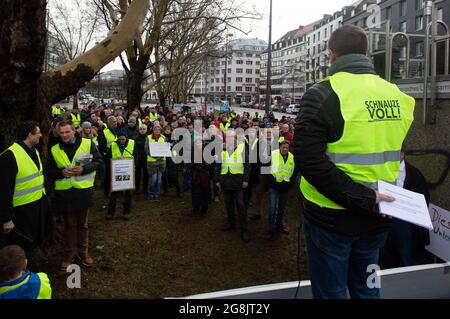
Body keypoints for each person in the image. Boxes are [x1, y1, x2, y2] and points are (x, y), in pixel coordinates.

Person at [295, 25, 415, 299]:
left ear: (331, 55)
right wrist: (377, 198)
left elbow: (309, 161)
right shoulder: (397, 95)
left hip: (331, 219)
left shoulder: (322, 94)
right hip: (379, 215)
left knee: (332, 293)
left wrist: (365, 197)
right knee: (367, 290)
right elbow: (397, 153)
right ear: (366, 53)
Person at [46, 120, 102, 270]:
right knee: (69, 225)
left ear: (74, 131)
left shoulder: (88, 143)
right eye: (61, 133)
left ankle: (84, 253)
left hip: (83, 191)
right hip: (64, 194)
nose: (64, 135)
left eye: (67, 132)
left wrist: (84, 169)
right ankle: (70, 253)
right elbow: (49, 171)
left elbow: (99, 162)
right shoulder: (54, 149)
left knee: (83, 225)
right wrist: (60, 173)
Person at [0, 121, 48, 253]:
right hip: (20, 211)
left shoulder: (34, 151)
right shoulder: (8, 157)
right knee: (21, 246)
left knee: (32, 243)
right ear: (29, 135)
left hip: (36, 205)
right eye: (38, 133)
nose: (41, 136)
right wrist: (7, 219)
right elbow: (4, 191)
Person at [381, 151, 432, 268]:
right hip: (383, 218)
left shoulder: (414, 174)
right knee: (385, 253)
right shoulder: (381, 170)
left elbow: (423, 200)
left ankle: (407, 278)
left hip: (405, 223)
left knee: (405, 254)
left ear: (402, 155)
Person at [216, 130, 251, 243]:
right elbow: (218, 165)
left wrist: (246, 180)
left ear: (236, 138)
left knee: (240, 206)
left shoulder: (241, 148)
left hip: (238, 183)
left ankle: (244, 229)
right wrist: (217, 180)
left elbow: (247, 165)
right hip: (225, 182)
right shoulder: (222, 148)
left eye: (232, 137)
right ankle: (231, 223)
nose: (230, 139)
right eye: (228, 137)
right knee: (228, 204)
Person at [266, 141, 295, 239]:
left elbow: (294, 172)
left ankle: (279, 226)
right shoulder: (273, 154)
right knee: (272, 208)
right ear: (280, 147)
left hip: (284, 187)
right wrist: (272, 181)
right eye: (283, 147)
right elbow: (267, 168)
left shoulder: (292, 157)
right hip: (273, 186)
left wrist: (289, 183)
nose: (285, 149)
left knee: (282, 209)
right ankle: (271, 229)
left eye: (287, 148)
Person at [106, 130, 135, 221]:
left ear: (126, 138)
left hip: (128, 172)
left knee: (128, 194)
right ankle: (110, 213)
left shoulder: (132, 143)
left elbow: (136, 155)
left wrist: (134, 165)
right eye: (120, 139)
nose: (121, 141)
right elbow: (108, 158)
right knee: (114, 193)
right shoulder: (113, 145)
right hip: (116, 172)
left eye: (123, 139)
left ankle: (126, 212)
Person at [145, 126, 167, 200]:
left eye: (158, 130)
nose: (157, 131)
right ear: (153, 130)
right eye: (155, 130)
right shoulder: (148, 137)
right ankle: (151, 193)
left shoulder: (163, 137)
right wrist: (154, 157)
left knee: (159, 179)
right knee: (153, 179)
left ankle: (157, 193)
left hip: (161, 161)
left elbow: (165, 148)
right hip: (152, 161)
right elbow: (146, 149)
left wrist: (161, 156)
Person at [135, 124, 149, 194]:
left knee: (146, 174)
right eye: (141, 129)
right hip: (138, 159)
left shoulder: (149, 138)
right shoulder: (136, 138)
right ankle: (137, 188)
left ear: (146, 130)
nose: (142, 130)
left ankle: (145, 188)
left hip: (147, 159)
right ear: (139, 130)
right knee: (137, 175)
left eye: (144, 129)